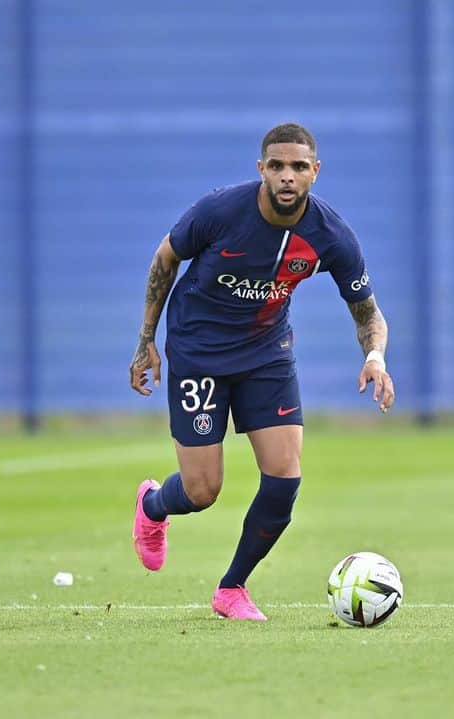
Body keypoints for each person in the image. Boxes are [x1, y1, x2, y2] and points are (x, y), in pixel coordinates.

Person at [128, 122, 395, 620]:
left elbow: (368, 313)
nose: (287, 176)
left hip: (265, 354)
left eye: (298, 167)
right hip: (198, 352)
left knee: (283, 478)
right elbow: (165, 259)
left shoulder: (332, 236)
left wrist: (375, 357)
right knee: (203, 491)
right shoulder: (220, 212)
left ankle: (231, 589)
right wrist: (146, 342)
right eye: (277, 166)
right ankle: (153, 506)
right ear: (261, 170)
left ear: (316, 172)